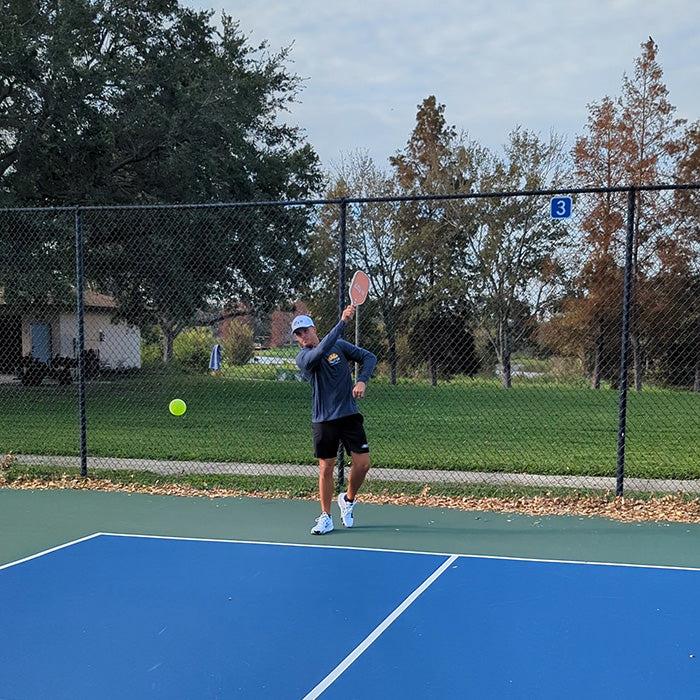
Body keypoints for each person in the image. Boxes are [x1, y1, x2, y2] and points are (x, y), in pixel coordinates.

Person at [292, 305, 377, 535]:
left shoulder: (339, 346)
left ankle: (348, 500)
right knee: (326, 468)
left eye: (304, 331)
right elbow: (320, 351)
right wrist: (342, 323)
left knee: (363, 464)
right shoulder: (304, 357)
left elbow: (369, 357)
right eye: (298, 334)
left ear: (313, 328)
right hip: (324, 419)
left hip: (349, 415)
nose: (302, 337)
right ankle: (326, 517)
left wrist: (362, 380)